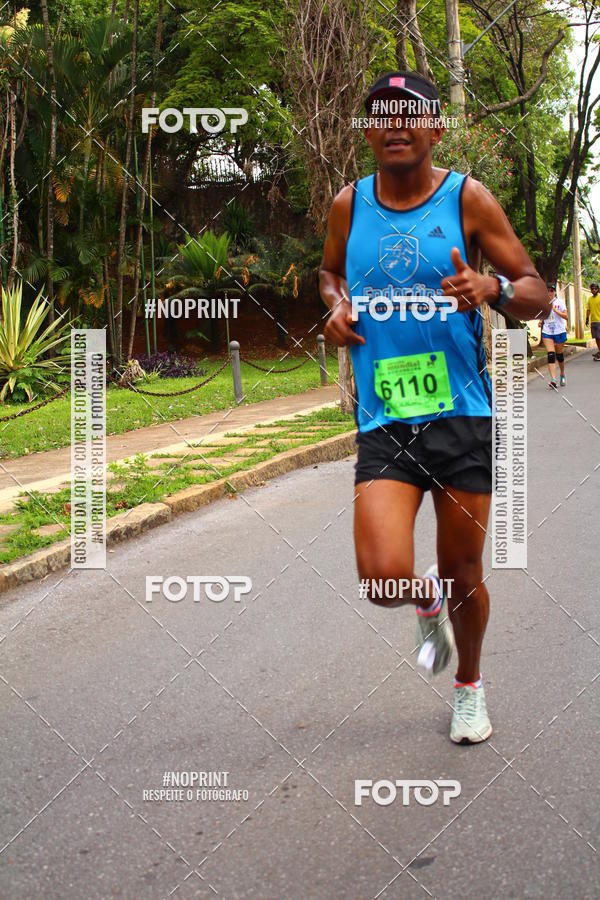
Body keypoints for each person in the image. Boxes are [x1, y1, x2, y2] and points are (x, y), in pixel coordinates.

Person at [320, 71, 550, 744]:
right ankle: (426, 601)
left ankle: (469, 688)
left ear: (436, 127)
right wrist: (337, 305)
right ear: (368, 133)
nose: (394, 125)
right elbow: (329, 272)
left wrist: (492, 287)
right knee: (381, 578)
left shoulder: (467, 198)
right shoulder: (348, 205)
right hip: (385, 417)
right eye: (380, 115)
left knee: (464, 573)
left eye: (409, 113)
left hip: (461, 415)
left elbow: (537, 291)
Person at [540, 283, 568, 388]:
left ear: (555, 292)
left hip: (559, 331)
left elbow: (566, 316)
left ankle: (562, 373)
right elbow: (543, 315)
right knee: (551, 355)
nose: (549, 293)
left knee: (559, 356)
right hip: (547, 331)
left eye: (551, 291)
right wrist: (541, 321)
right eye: (547, 291)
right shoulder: (544, 303)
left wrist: (555, 310)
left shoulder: (560, 302)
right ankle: (553, 379)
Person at [585, 282, 600, 361]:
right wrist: (587, 318)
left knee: (599, 337)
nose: (594, 290)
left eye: (595, 288)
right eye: (592, 289)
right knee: (596, 338)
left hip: (599, 321)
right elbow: (588, 309)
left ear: (598, 289)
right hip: (593, 321)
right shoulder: (590, 299)